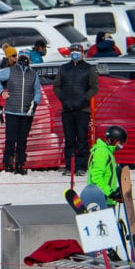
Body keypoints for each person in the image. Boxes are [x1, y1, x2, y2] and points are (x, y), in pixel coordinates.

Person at [52, 43, 99, 176]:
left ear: (82, 53)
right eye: (72, 51)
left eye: (77, 51)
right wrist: (63, 98)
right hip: (67, 109)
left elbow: (94, 87)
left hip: (83, 110)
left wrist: (85, 98)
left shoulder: (89, 68)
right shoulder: (64, 68)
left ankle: (81, 166)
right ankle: (69, 166)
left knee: (82, 138)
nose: (75, 53)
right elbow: (56, 86)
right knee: (69, 138)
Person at [0, 50, 41, 174]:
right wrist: (2, 92)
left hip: (27, 113)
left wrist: (35, 102)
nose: (24, 59)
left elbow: (37, 91)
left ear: (29, 59)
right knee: (10, 140)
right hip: (12, 112)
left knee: (22, 140)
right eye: (22, 56)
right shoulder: (10, 71)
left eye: (26, 57)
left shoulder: (33, 74)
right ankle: (8, 165)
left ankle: (20, 165)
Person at [87, 125, 128, 207]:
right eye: (121, 143)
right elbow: (96, 177)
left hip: (105, 197)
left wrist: (114, 192)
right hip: (101, 199)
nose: (121, 146)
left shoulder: (107, 152)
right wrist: (111, 193)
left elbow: (107, 176)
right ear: (115, 141)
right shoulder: (102, 152)